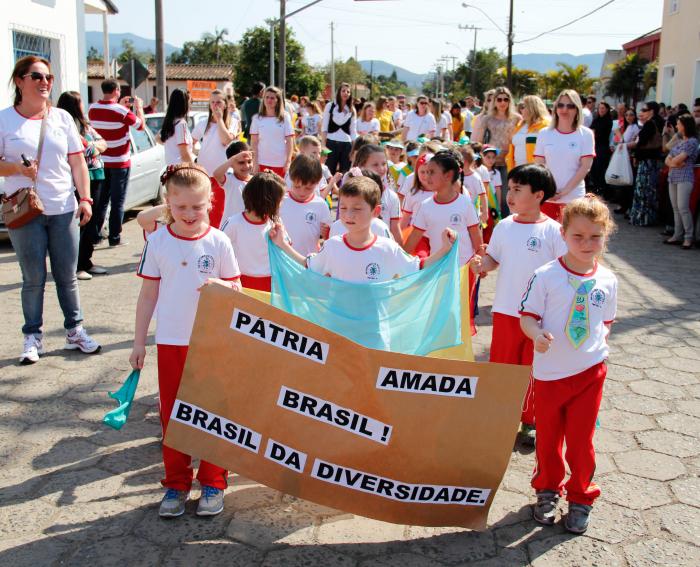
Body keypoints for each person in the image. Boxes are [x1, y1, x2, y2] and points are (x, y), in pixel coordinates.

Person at [130, 164, 241, 518]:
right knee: (174, 417)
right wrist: (138, 343)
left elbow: (237, 288)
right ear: (168, 205)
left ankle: (213, 481)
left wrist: (220, 285)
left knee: (212, 413)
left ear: (210, 202)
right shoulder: (158, 241)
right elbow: (148, 295)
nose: (190, 214)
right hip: (171, 342)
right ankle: (176, 484)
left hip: (212, 343)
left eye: (197, 206)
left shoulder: (220, 241)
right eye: (181, 208)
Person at [519, 195, 617, 535]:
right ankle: (547, 491)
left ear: (606, 235)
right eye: (578, 236)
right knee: (548, 439)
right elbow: (527, 317)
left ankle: (581, 498)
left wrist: (593, 353)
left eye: (595, 236)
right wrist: (536, 335)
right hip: (549, 374)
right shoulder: (546, 275)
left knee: (580, 441)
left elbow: (605, 324)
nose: (587, 244)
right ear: (563, 234)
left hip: (590, 373)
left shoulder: (608, 279)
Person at [1, 56, 101, 363]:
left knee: (67, 275)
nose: (44, 82)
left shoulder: (61, 118)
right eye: (36, 76)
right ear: (19, 81)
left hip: (62, 207)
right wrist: (17, 167)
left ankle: (74, 330)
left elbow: (77, 161)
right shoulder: (5, 120)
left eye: (49, 77)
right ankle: (33, 336)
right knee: (33, 277)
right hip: (24, 209)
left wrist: (85, 199)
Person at [471, 164, 567, 443]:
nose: (510, 196)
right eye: (509, 189)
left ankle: (530, 421)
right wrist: (481, 265)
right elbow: (494, 259)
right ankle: (500, 415)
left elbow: (564, 270)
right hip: (504, 311)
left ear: (538, 195)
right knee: (504, 366)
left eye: (517, 190)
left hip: (540, 317)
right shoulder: (504, 226)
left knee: (534, 367)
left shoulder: (554, 231)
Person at [271, 175, 456, 285]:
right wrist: (282, 244)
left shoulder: (387, 249)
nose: (348, 215)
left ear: (375, 211)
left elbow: (419, 266)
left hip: (375, 334)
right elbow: (308, 265)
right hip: (339, 332)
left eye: (357, 209)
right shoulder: (333, 245)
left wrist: (445, 249)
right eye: (343, 208)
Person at [403, 149, 483, 290]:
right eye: (426, 172)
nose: (427, 176)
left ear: (448, 175)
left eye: (432, 172)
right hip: (438, 268)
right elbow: (413, 239)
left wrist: (481, 262)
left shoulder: (465, 203)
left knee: (462, 311)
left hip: (464, 269)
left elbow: (476, 236)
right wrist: (400, 262)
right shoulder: (425, 206)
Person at [56, 90, 109, 281]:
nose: (83, 106)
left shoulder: (85, 125)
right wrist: (94, 147)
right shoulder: (65, 126)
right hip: (80, 179)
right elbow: (87, 148)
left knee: (92, 222)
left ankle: (86, 261)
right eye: (80, 102)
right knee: (82, 223)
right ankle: (77, 265)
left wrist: (95, 147)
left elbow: (103, 143)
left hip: (96, 175)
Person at [88, 78, 145, 247]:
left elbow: (110, 118)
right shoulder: (121, 111)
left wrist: (121, 105)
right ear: (116, 90)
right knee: (118, 202)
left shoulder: (92, 108)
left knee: (101, 201)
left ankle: (96, 236)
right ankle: (114, 237)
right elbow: (140, 126)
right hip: (120, 163)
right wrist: (139, 107)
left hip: (101, 161)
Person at [534, 90, 594, 223]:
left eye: (570, 106)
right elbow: (539, 164)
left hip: (574, 197)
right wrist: (550, 189)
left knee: (570, 240)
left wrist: (564, 192)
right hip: (547, 195)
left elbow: (585, 167)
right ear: (555, 108)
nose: (564, 109)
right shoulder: (544, 133)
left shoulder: (586, 134)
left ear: (577, 109)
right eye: (560, 105)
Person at [221, 171, 286, 292]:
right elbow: (219, 250)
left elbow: (285, 250)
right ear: (268, 201)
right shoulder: (234, 223)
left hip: (270, 283)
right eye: (280, 200)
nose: (282, 204)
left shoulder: (276, 222)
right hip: (241, 283)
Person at [471, 86, 520, 216]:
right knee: (487, 196)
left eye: (506, 99)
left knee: (506, 197)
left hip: (508, 163)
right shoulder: (486, 119)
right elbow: (478, 142)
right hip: (488, 164)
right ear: (494, 101)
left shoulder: (517, 119)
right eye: (499, 99)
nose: (502, 102)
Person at [280, 155, 332, 256]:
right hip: (283, 260)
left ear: (317, 183)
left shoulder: (320, 204)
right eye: (297, 186)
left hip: (308, 261)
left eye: (308, 188)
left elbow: (328, 235)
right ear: (290, 178)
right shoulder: (280, 201)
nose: (302, 192)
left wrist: (326, 233)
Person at [352, 144, 403, 243]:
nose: (381, 169)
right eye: (375, 165)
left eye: (384, 164)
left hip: (382, 251)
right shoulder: (351, 193)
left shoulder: (391, 196)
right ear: (361, 166)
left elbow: (395, 229)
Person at [663, 114, 699, 248]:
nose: (677, 126)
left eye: (679, 123)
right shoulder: (680, 141)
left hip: (685, 177)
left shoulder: (692, 142)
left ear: (685, 125)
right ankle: (677, 235)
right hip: (673, 176)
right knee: (676, 208)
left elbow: (679, 158)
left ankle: (688, 237)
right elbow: (668, 159)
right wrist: (674, 163)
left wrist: (674, 162)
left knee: (683, 207)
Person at [628, 101, 665, 227]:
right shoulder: (660, 122)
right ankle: (650, 218)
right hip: (655, 161)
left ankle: (642, 218)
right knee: (651, 191)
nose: (642, 112)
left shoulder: (650, 124)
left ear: (651, 111)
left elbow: (641, 142)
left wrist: (635, 154)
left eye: (644, 110)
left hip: (647, 162)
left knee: (643, 190)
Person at [250, 86, 294, 177]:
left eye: (272, 98)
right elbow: (254, 143)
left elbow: (290, 141)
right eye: (267, 97)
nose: (269, 100)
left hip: (280, 163)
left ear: (278, 100)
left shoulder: (285, 117)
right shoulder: (256, 118)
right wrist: (255, 162)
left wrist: (288, 161)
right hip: (262, 162)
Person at [191, 89, 238, 175]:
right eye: (212, 102)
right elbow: (191, 142)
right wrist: (195, 156)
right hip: (203, 172)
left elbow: (225, 141)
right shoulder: (202, 122)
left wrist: (219, 119)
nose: (215, 105)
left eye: (218, 102)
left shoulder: (233, 122)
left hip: (223, 173)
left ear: (225, 105)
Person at [212, 141, 254, 222]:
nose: (247, 166)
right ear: (231, 163)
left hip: (247, 224)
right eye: (241, 162)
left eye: (249, 161)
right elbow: (216, 174)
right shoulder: (229, 178)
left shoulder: (255, 181)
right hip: (229, 224)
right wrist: (234, 158)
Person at [321, 83, 357, 174]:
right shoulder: (330, 106)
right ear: (339, 92)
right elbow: (324, 126)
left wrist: (354, 150)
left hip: (346, 145)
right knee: (328, 171)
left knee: (345, 172)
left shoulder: (352, 109)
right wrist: (323, 145)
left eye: (348, 92)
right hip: (331, 143)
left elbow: (353, 131)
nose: (346, 93)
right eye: (343, 91)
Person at [506, 95, 550, 170]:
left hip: (534, 171)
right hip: (516, 170)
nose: (520, 110)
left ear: (532, 108)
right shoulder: (520, 125)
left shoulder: (545, 125)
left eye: (523, 107)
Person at [158, 89, 195, 166]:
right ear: (183, 104)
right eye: (189, 102)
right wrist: (195, 168)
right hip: (181, 170)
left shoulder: (170, 122)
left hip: (171, 169)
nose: (190, 105)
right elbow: (184, 154)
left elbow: (158, 138)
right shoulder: (181, 124)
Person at [589, 102, 613, 196]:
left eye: (603, 108)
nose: (601, 110)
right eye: (599, 108)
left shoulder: (608, 121)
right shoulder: (596, 120)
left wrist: (594, 133)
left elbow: (601, 134)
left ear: (607, 109)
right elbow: (591, 131)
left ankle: (602, 190)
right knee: (594, 169)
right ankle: (596, 188)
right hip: (595, 146)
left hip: (602, 148)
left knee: (601, 169)